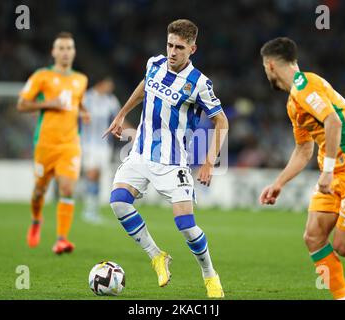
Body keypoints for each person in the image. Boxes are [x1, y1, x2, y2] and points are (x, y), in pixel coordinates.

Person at [258, 37, 345, 300]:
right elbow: (303, 150)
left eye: (264, 67)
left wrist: (328, 170)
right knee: (313, 237)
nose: (265, 72)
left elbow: (332, 121)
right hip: (333, 174)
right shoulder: (294, 103)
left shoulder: (304, 85)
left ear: (271, 65)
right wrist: (279, 183)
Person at [103, 19, 228, 298]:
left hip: (173, 162)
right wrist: (122, 113)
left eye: (179, 47)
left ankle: (210, 275)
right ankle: (157, 256)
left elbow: (222, 122)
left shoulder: (199, 84)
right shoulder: (155, 63)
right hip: (141, 153)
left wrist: (209, 161)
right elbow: (145, 86)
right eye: (170, 45)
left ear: (192, 49)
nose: (172, 52)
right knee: (118, 203)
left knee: (185, 224)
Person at [17, 32, 89, 254]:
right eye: (61, 48)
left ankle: (61, 239)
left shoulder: (81, 80)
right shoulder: (42, 76)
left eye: (69, 48)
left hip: (70, 145)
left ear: (74, 52)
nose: (65, 52)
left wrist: (84, 112)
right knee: (40, 191)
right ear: (53, 52)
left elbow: (77, 103)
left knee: (67, 189)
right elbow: (21, 104)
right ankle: (36, 220)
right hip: (45, 144)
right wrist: (49, 103)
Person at [81, 77, 121, 224]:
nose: (110, 89)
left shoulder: (111, 100)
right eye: (108, 85)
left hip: (104, 146)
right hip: (88, 144)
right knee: (91, 174)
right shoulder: (86, 98)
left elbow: (119, 117)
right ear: (100, 83)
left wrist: (132, 132)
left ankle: (92, 210)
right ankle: (88, 210)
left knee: (97, 176)